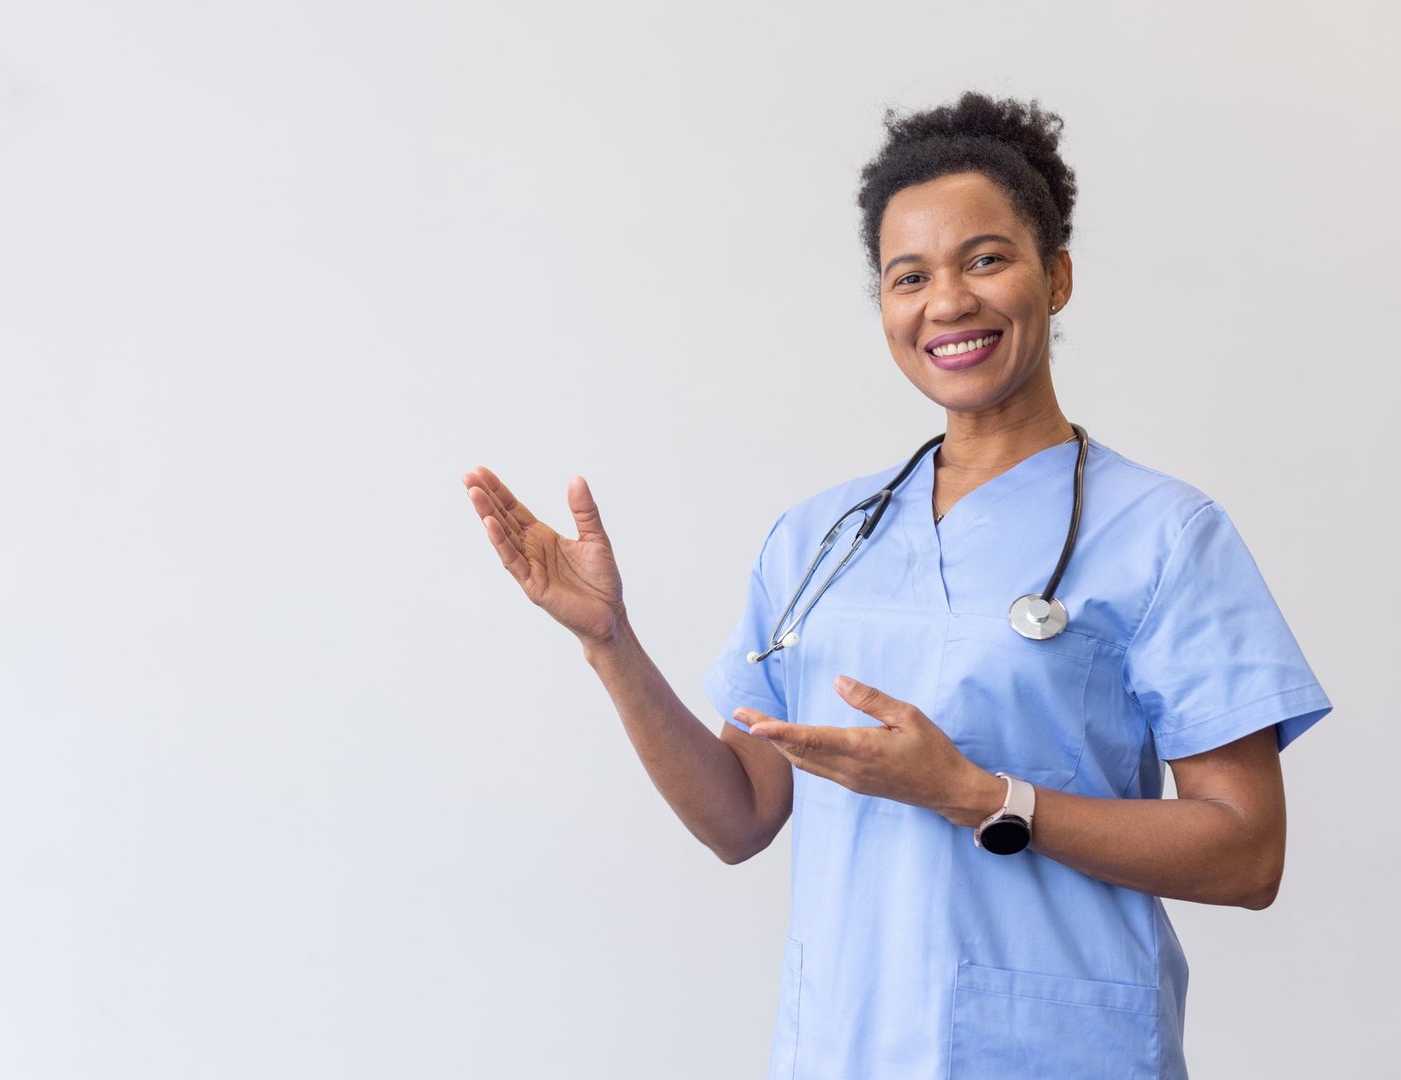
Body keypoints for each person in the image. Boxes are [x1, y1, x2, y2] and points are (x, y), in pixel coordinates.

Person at [462, 92, 1329, 1079]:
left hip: (1062, 1054)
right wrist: (608, 643)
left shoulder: (1164, 535)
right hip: (845, 1050)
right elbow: (740, 817)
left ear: (1058, 276)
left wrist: (979, 796)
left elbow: (1248, 853)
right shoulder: (818, 541)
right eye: (908, 276)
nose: (947, 302)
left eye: (986, 260)